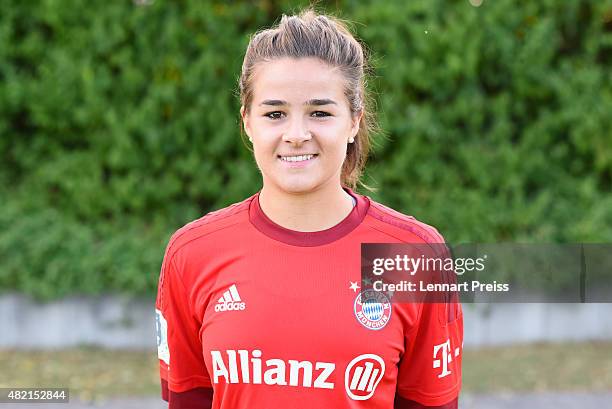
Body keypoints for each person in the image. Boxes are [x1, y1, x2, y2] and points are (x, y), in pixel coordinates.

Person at [155, 8, 462, 409]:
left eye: (319, 112)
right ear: (247, 121)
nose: (297, 134)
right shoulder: (191, 254)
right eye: (275, 114)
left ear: (354, 120)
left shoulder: (415, 255)